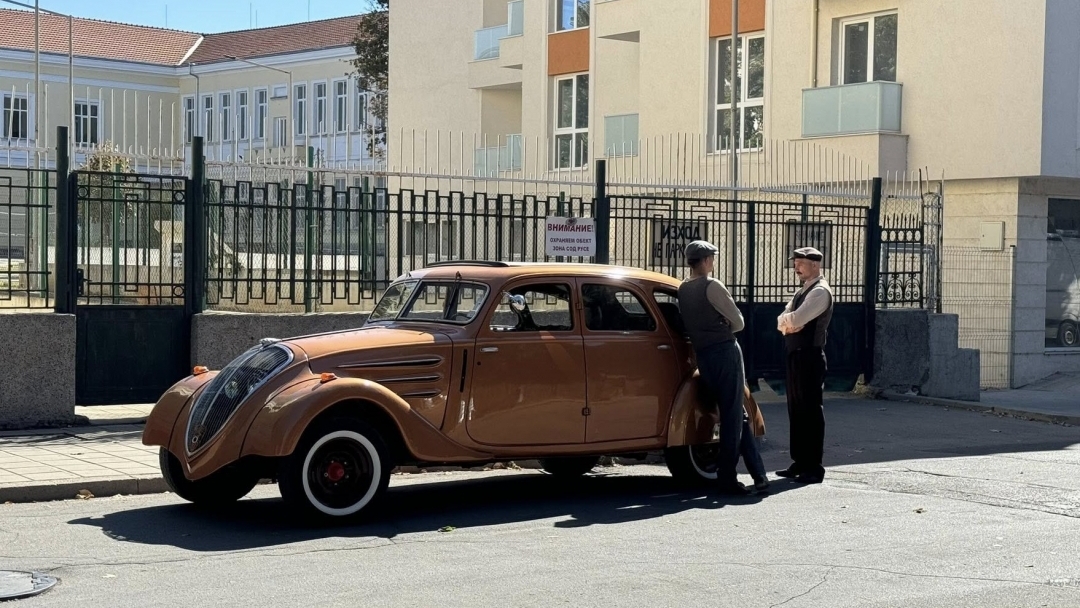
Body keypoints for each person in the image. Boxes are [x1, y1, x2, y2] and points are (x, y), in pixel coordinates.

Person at [678, 240, 768, 496]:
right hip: (725, 352)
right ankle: (727, 477)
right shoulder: (712, 285)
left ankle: (759, 475)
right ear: (706, 260)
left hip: (704, 356)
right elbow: (738, 322)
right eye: (712, 258)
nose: (713, 263)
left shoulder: (683, 288)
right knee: (732, 417)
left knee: (737, 413)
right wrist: (723, 325)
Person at [775, 246, 834, 484]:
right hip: (796, 355)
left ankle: (814, 467)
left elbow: (797, 318)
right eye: (795, 262)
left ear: (815, 265)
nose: (796, 267)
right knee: (796, 409)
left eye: (800, 263)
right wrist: (788, 323)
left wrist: (791, 322)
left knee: (810, 411)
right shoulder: (803, 291)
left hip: (810, 356)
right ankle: (800, 461)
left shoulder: (819, 292)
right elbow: (782, 319)